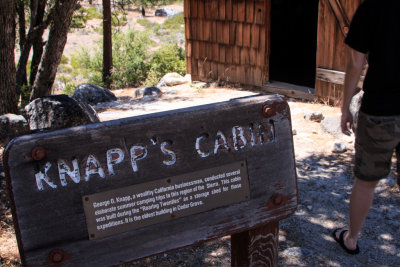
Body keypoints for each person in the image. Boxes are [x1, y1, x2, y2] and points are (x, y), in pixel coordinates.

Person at [333, 0, 400, 255]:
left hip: (380, 111)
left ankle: (351, 239)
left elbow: (356, 65)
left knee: (365, 182)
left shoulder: (372, 7)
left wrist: (345, 107)